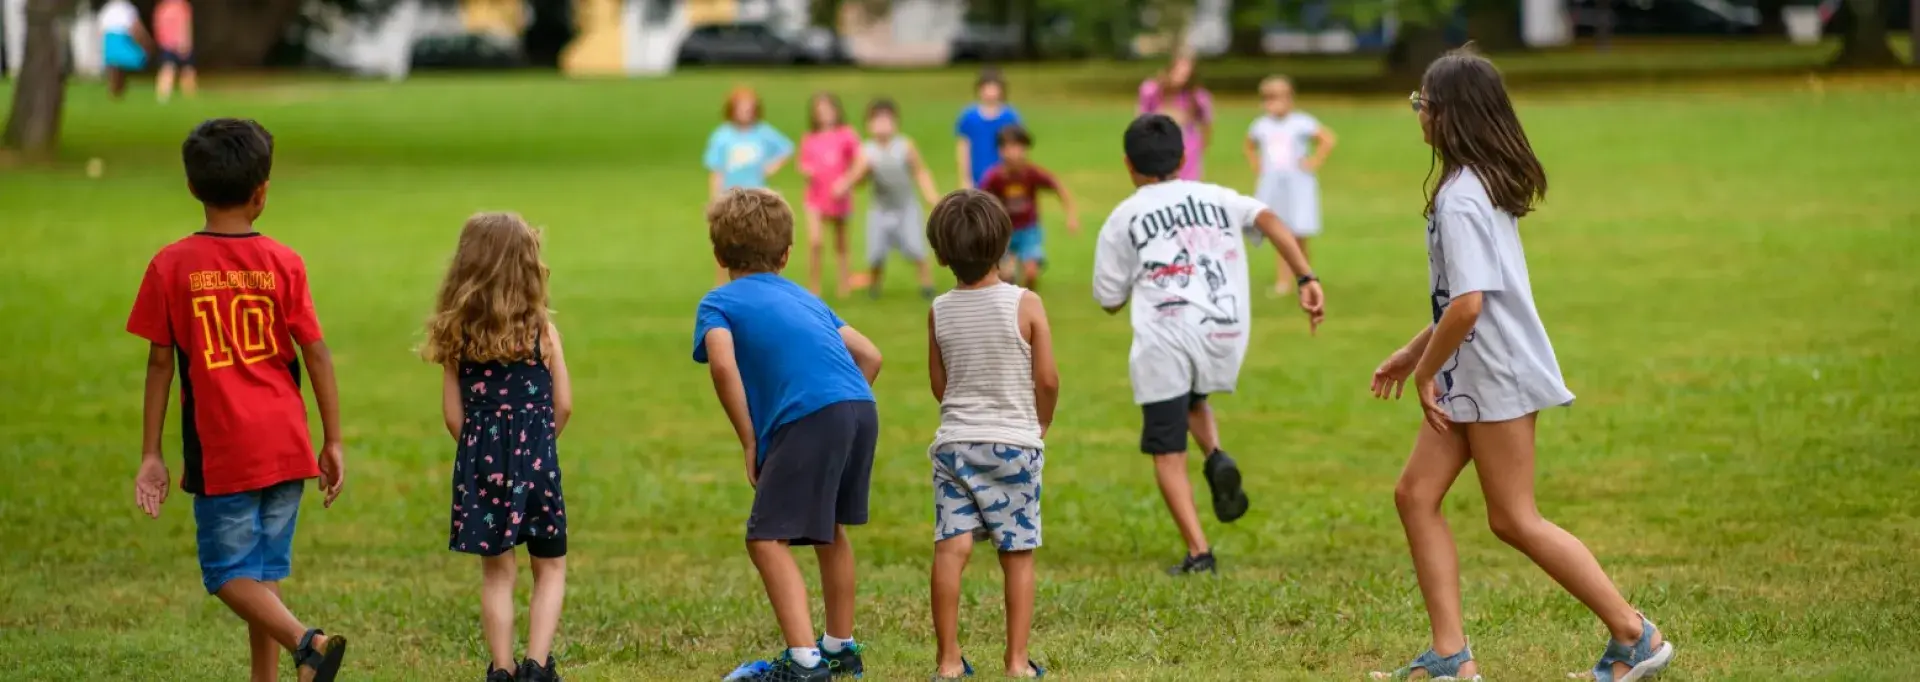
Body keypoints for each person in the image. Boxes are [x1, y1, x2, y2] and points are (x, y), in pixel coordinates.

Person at [1368, 48, 1673, 682]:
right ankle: (1451, 657)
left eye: (1421, 103)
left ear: (1447, 114)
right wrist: (1411, 352)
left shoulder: (1462, 198)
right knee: (1415, 495)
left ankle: (1635, 635)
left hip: (1493, 371)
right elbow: (1467, 298)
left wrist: (1425, 371)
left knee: (1513, 517)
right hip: (1470, 369)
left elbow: (1472, 305)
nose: (1417, 114)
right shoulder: (1475, 183)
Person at [127, 118, 349, 682]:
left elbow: (159, 364)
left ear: (192, 187)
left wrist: (152, 452)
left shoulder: (170, 265)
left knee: (227, 573)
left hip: (224, 448)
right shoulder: (284, 261)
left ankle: (308, 643)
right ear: (261, 193)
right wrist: (334, 439)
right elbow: (318, 353)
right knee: (260, 576)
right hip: (286, 443)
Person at [1091, 114, 1324, 575]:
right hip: (1222, 329)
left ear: (1127, 164)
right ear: (1182, 158)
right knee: (1193, 396)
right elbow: (1269, 218)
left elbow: (1109, 300)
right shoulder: (1216, 196)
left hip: (1165, 338)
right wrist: (1306, 276)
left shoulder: (1124, 217)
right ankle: (1216, 456)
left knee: (1166, 448)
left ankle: (1199, 552)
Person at [694, 189, 885, 682]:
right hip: (860, 407)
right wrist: (841, 406)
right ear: (786, 253)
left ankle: (804, 662)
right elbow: (871, 355)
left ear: (718, 254)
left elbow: (720, 363)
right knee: (829, 529)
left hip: (811, 416)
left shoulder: (718, 302)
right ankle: (840, 648)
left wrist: (751, 439)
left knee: (765, 539)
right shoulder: (808, 297)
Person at [420, 213, 573, 682]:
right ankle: (538, 666)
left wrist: (481, 456)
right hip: (539, 464)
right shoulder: (542, 334)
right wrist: (538, 446)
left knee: (497, 573)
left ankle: (502, 670)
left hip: (481, 471)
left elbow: (453, 416)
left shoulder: (458, 338)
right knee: (549, 566)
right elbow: (563, 403)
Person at [923, 189, 1057, 680]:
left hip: (955, 443)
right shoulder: (1026, 302)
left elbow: (940, 383)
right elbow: (1047, 379)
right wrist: (1040, 420)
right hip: (1014, 444)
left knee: (950, 549)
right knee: (1017, 554)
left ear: (941, 255)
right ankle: (1017, 662)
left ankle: (948, 661)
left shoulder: (939, 309)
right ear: (1005, 244)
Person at [832, 98, 941, 300]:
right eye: (877, 121)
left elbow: (920, 171)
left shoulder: (905, 146)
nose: (882, 126)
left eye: (886, 121)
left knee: (916, 247)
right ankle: (875, 284)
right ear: (868, 124)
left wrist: (930, 195)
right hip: (880, 208)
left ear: (895, 123)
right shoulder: (866, 151)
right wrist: (845, 184)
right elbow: (857, 178)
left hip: (906, 206)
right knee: (876, 251)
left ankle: (927, 284)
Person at [1245, 75, 1336, 295]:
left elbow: (1327, 139)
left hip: (1298, 185)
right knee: (1280, 232)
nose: (1273, 104)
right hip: (1274, 186)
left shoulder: (1301, 122)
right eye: (1268, 99)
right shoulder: (1261, 125)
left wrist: (1314, 161)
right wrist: (1257, 165)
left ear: (1289, 99)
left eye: (1278, 98)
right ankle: (1283, 281)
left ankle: (1305, 277)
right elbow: (1249, 146)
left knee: (1300, 232)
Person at [704, 86, 795, 286]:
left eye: (749, 108)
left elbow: (787, 147)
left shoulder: (762, 132)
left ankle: (758, 281)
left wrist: (771, 166)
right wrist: (715, 199)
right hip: (731, 198)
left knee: (757, 241)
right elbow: (716, 170)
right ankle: (722, 285)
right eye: (741, 108)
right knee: (725, 241)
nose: (745, 112)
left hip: (756, 199)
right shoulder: (722, 136)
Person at [978, 125, 1078, 292]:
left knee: (1031, 273)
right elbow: (979, 201)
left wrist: (1071, 216)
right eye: (1008, 147)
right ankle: (1010, 304)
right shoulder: (994, 177)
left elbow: (1058, 188)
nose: (1014, 153)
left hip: (1028, 230)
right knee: (1005, 277)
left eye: (1018, 147)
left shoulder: (1031, 173)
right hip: (1003, 232)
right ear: (1000, 150)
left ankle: (1028, 299)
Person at [797, 93, 862, 296]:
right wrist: (807, 170)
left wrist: (846, 181)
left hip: (838, 195)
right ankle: (814, 285)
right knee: (815, 241)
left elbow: (859, 160)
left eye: (828, 110)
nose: (825, 115)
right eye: (820, 112)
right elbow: (802, 163)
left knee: (841, 242)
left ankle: (844, 283)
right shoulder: (810, 138)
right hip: (815, 196)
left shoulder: (846, 134)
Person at [1137, 50, 1213, 181]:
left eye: (1186, 74)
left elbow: (1206, 124)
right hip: (1159, 148)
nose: (1181, 78)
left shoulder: (1197, 96)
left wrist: (1200, 147)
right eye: (1178, 72)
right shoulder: (1152, 90)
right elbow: (1141, 118)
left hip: (1187, 149)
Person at [954, 68, 1022, 190]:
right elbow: (963, 147)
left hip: (1003, 178)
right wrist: (965, 178)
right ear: (979, 89)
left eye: (994, 87)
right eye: (987, 87)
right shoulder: (969, 117)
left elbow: (1018, 148)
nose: (990, 92)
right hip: (977, 179)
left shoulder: (1010, 116)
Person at [98, 0, 149, 100]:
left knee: (115, 66)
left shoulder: (108, 7)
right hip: (121, 38)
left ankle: (114, 89)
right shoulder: (128, 8)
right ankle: (119, 88)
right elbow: (135, 27)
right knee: (133, 61)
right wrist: (145, 41)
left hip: (109, 39)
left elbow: (101, 27)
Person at [153, 0, 196, 102]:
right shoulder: (181, 6)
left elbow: (157, 26)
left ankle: (163, 97)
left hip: (167, 43)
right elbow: (185, 25)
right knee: (186, 71)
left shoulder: (162, 7)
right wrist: (185, 42)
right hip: (179, 43)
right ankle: (189, 97)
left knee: (169, 69)